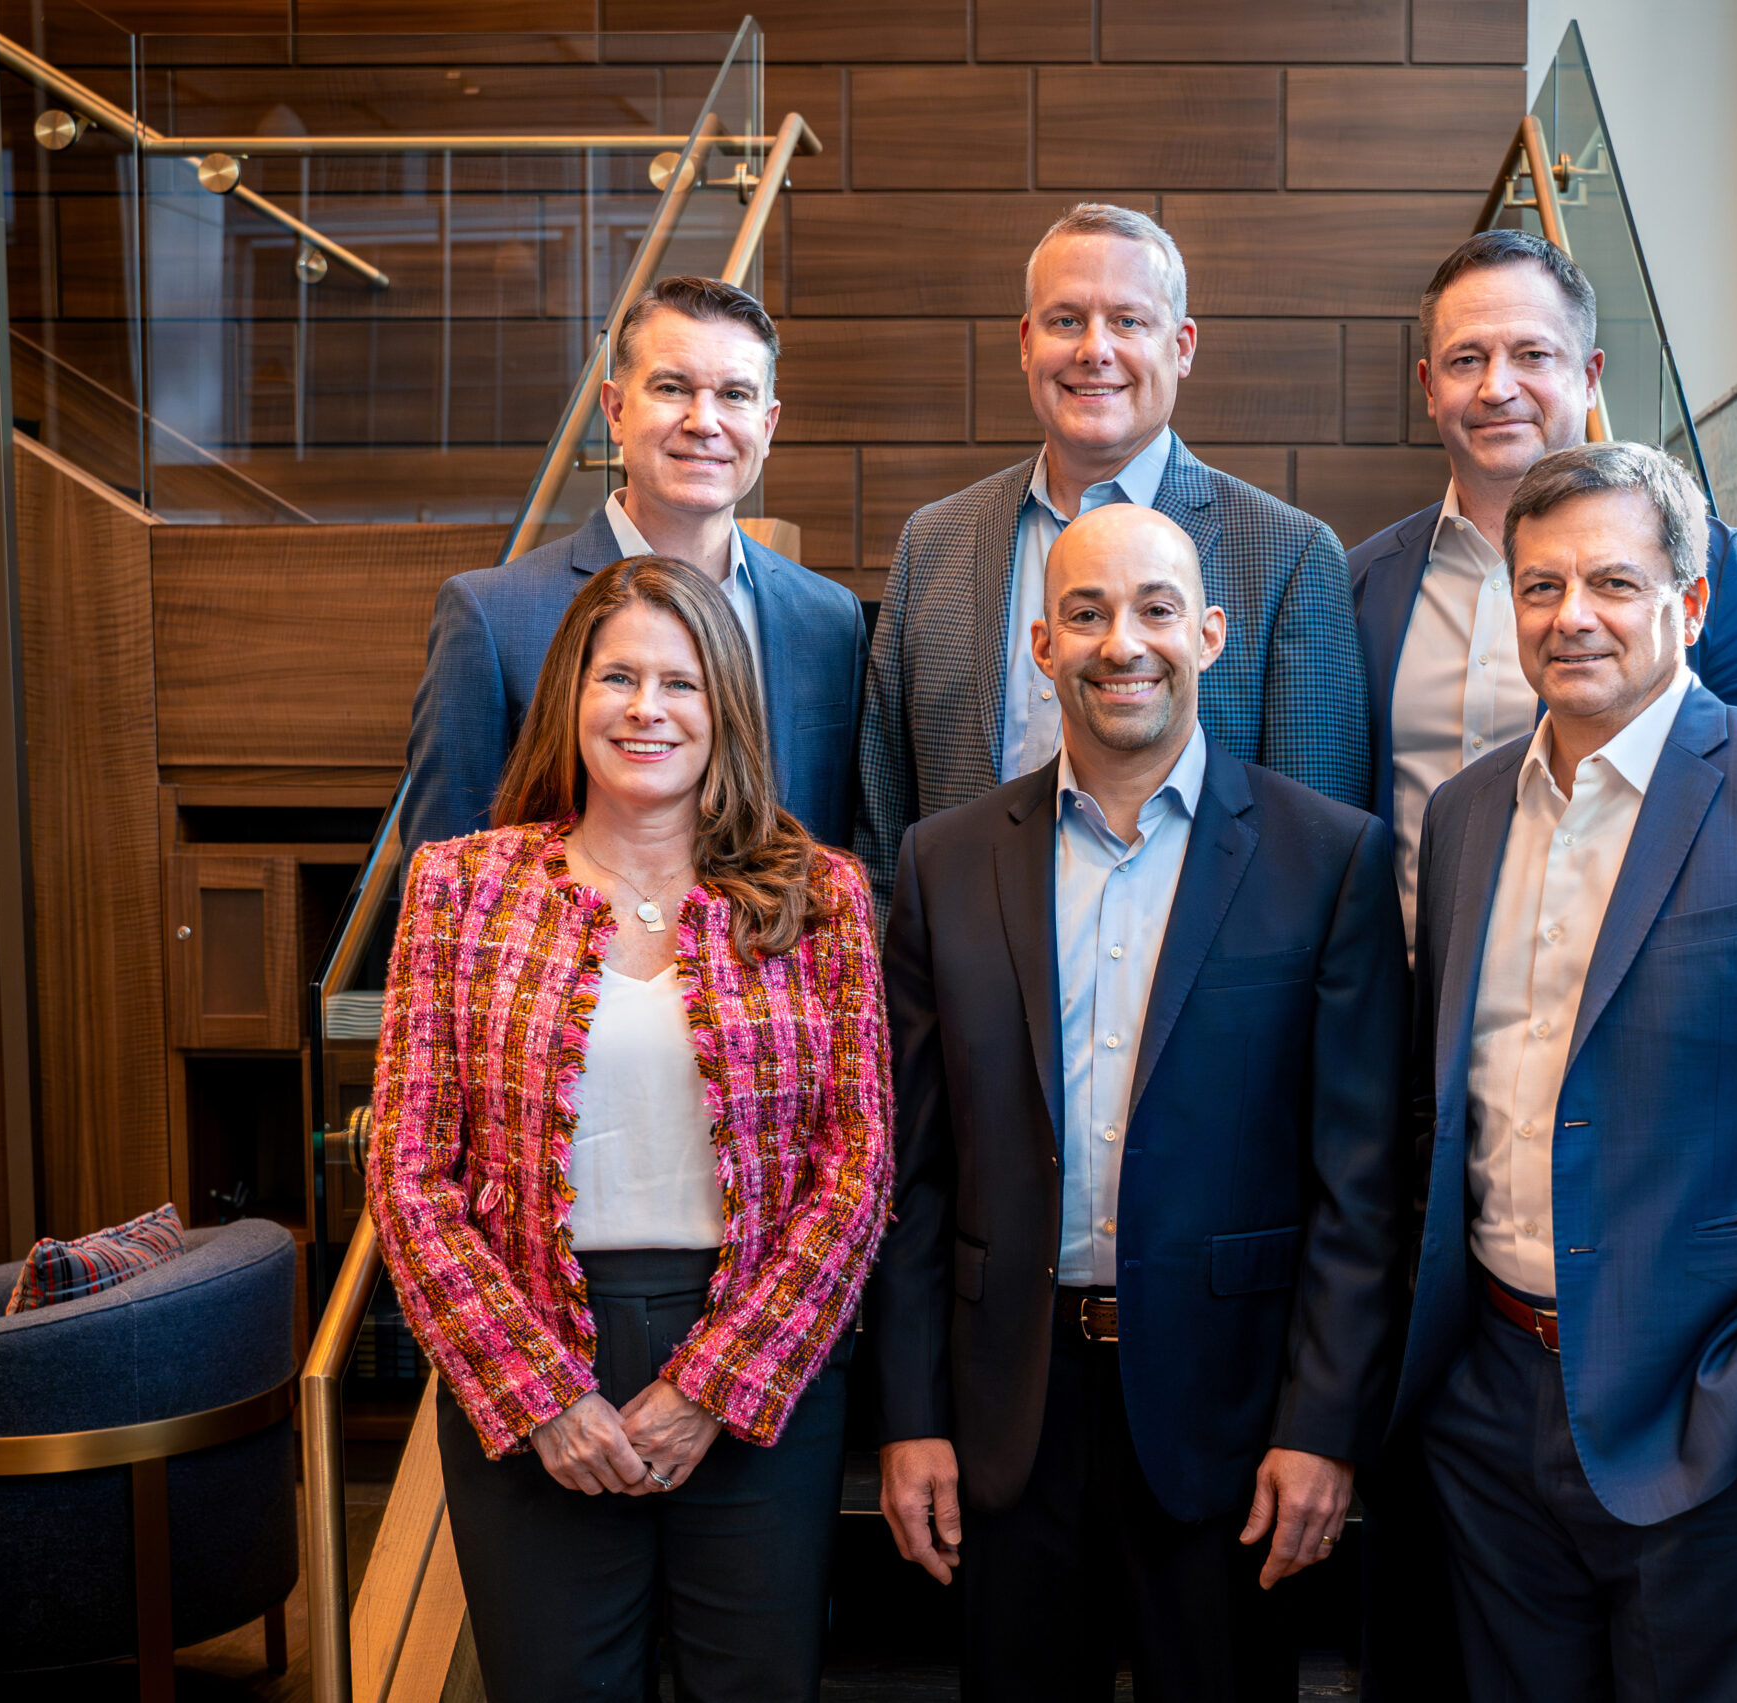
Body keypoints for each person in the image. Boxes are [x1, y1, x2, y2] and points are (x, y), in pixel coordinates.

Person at [1394, 443, 1737, 1703]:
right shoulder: (1469, 809)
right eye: (1539, 587)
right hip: (1485, 1390)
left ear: (1688, 604)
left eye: (1613, 583)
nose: (1571, 616)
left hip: (1707, 1404)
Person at [864, 503, 1405, 1700]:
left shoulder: (1329, 857)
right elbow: (909, 1178)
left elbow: (1358, 1187)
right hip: (1010, 1404)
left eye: (1157, 609)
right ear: (1041, 646)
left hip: (1230, 1409)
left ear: (1209, 632)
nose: (1125, 642)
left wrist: (1322, 1425)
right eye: (1087, 612)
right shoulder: (940, 863)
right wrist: (908, 1416)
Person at [368, 556, 893, 1703]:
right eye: (618, 677)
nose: (647, 708)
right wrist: (538, 1391)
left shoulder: (822, 894)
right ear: (570, 694)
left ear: (727, 710)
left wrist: (716, 1381)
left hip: (761, 1362)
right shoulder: (460, 888)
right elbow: (408, 1173)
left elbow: (855, 1170)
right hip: (535, 1353)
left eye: (681, 681)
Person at [854, 202, 1370, 911]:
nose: (1094, 349)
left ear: (1182, 346)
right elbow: (883, 843)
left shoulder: (1288, 555)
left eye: (1128, 321)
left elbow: (1318, 862)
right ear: (1027, 342)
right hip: (967, 1008)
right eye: (1066, 320)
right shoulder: (934, 544)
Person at [1347, 228, 1737, 941]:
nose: (1497, 387)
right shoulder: (1360, 585)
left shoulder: (1712, 570)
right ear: (1430, 386)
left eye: (1532, 354)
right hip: (1413, 1019)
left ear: (1590, 374)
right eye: (1466, 359)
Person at [405, 276, 866, 861]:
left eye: (735, 395)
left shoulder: (827, 618)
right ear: (616, 411)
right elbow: (441, 887)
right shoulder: (491, 617)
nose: (705, 421)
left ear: (768, 426)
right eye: (673, 388)